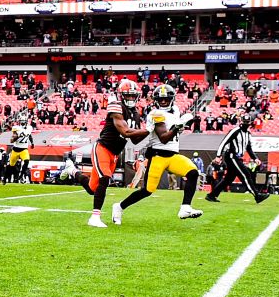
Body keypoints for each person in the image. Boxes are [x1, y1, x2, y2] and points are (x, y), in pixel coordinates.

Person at [112, 84, 202, 224]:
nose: (163, 102)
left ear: (172, 99)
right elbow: (164, 138)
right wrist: (178, 125)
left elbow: (175, 133)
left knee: (193, 173)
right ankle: (119, 206)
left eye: (166, 99)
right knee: (147, 190)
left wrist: (182, 125)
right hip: (158, 156)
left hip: (172, 156)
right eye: (160, 99)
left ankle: (185, 207)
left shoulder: (176, 110)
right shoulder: (156, 114)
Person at [79, 79, 149, 228]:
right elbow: (125, 131)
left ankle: (72, 171)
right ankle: (95, 217)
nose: (130, 99)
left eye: (132, 96)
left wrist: (149, 131)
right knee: (105, 178)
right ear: (121, 96)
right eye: (127, 96)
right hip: (102, 148)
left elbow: (135, 140)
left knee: (92, 189)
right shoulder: (116, 106)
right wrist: (149, 129)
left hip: (115, 154)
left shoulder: (135, 114)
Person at [206, 112, 269, 204]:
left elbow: (249, 148)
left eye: (247, 122)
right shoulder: (235, 131)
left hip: (237, 157)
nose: (246, 124)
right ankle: (257, 195)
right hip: (232, 156)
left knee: (228, 179)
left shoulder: (248, 134)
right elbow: (223, 143)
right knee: (245, 174)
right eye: (245, 122)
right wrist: (218, 156)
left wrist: (255, 158)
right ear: (241, 121)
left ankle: (211, 195)